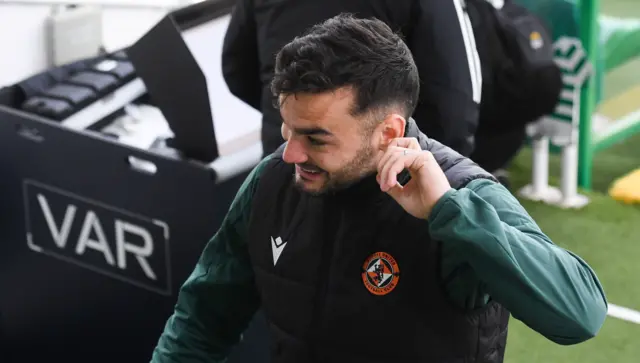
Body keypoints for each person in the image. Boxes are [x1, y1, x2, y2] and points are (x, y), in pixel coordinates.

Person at [151, 14, 608, 363]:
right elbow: (203, 316)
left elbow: (580, 314)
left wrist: (450, 212)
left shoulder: (462, 196)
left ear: (389, 133)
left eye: (316, 137)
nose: (290, 153)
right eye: (289, 129)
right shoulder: (273, 181)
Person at [222, 0, 483, 158]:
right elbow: (455, 101)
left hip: (287, 162)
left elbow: (236, 68)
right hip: (387, 178)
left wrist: (302, 120)